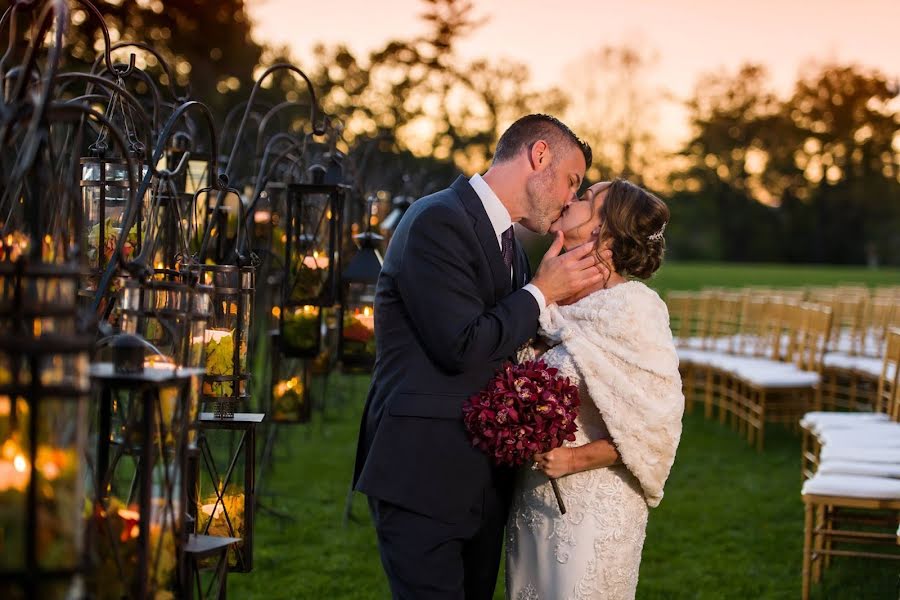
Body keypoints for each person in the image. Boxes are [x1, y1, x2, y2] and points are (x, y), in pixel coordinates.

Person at [353, 114, 605, 599]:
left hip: (484, 481)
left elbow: (510, 346)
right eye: (572, 181)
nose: (571, 199)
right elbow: (461, 345)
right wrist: (540, 292)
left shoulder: (514, 246)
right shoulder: (436, 220)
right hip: (423, 474)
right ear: (539, 156)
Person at [506, 179, 685, 600]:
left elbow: (657, 426)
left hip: (594, 501)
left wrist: (574, 459)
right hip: (534, 502)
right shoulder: (553, 296)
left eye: (586, 199)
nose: (571, 199)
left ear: (603, 231)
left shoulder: (634, 308)